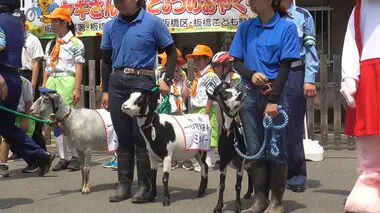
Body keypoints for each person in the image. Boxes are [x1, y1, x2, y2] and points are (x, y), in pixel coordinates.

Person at [100, 0, 177, 203]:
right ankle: (124, 185)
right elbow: (106, 61)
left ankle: (145, 186)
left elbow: (171, 52)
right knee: (123, 135)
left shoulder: (153, 23)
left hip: (143, 81)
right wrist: (105, 90)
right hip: (116, 82)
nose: (119, 4)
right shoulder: (110, 26)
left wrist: (167, 79)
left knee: (141, 136)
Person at [229, 0, 300, 211]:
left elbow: (285, 66)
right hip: (249, 94)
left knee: (276, 149)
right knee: (254, 149)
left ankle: (277, 201)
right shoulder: (245, 28)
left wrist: (273, 100)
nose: (250, 2)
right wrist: (251, 74)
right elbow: (236, 62)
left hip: (274, 94)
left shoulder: (287, 27)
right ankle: (260, 200)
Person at [0, 0, 55, 178]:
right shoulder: (17, 25)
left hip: (2, 76)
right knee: (7, 127)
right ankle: (40, 155)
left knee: (6, 127)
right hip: (14, 77)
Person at [340, 0, 380, 212]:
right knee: (371, 138)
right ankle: (369, 183)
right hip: (371, 78)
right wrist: (349, 78)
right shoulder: (361, 8)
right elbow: (352, 44)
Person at [282, 0, 319, 193]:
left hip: (295, 73)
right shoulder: (268, 13)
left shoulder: (303, 16)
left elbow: (310, 49)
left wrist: (309, 79)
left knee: (294, 126)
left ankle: (296, 176)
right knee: (271, 124)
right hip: (271, 73)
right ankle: (274, 175)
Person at [42, 8, 85, 172]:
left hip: (67, 80)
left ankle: (76, 156)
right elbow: (47, 66)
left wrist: (77, 88)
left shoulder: (75, 43)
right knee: (55, 121)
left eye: (54, 20)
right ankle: (63, 157)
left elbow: (79, 67)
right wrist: (45, 84)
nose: (52, 24)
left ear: (64, 23)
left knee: (68, 120)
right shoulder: (51, 43)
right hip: (52, 80)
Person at [14, 9, 47, 172]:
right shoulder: (12, 37)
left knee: (31, 117)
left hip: (26, 75)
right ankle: (20, 150)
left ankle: (41, 151)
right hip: (13, 74)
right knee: (14, 116)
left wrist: (33, 85)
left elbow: (36, 63)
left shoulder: (32, 39)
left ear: (24, 22)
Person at [186, 44, 219, 172]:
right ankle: (202, 161)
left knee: (210, 135)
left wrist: (206, 113)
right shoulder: (199, 76)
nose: (196, 61)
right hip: (196, 109)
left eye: (199, 58)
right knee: (199, 136)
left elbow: (211, 96)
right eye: (194, 58)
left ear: (207, 59)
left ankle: (208, 161)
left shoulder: (210, 76)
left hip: (207, 109)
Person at [0, 76, 35, 176]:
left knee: (23, 141)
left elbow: (29, 101)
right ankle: (3, 165)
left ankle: (35, 161)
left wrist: (26, 119)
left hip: (22, 114)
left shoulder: (23, 82)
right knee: (6, 138)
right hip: (8, 114)